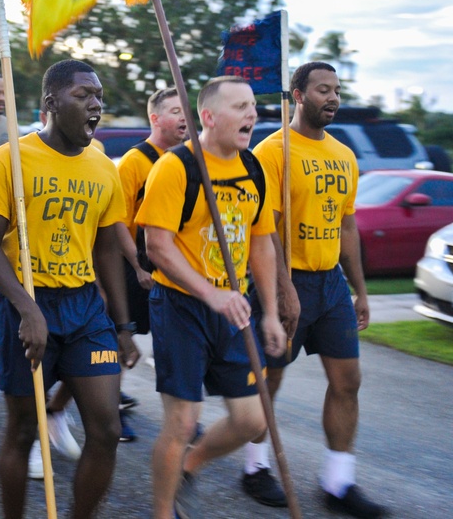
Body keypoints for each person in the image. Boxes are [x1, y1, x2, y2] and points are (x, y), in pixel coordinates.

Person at [0, 59, 139, 519]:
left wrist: (123, 325)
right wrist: (28, 310)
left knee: (105, 431)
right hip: (23, 302)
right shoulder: (7, 159)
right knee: (25, 431)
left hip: (83, 308)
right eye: (83, 95)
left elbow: (107, 249)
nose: (96, 104)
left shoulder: (103, 166)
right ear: (51, 103)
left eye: (98, 96)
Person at [135, 75, 285, 519]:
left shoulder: (253, 169)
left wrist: (272, 313)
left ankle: (188, 467)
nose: (252, 114)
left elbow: (261, 243)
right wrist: (210, 294)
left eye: (253, 106)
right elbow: (156, 246)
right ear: (208, 116)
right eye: (240, 106)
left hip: (233, 307)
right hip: (181, 305)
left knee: (252, 420)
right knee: (182, 421)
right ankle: (162, 513)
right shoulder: (176, 166)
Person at [249, 62, 387, 519]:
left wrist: (359, 289)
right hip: (285, 278)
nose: (332, 98)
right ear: (297, 95)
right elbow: (262, 230)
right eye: (322, 90)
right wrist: (283, 290)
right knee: (269, 379)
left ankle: (338, 481)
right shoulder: (272, 152)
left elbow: (348, 226)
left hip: (330, 284)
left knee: (348, 381)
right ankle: (255, 467)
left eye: (337, 90)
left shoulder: (344, 155)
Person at [114, 87, 187, 440]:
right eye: (175, 111)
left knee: (174, 342)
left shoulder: (190, 160)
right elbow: (116, 224)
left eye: (187, 110)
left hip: (173, 263)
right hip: (135, 262)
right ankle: (111, 411)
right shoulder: (134, 162)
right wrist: (138, 266)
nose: (184, 118)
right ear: (155, 118)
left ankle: (182, 418)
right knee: (120, 340)